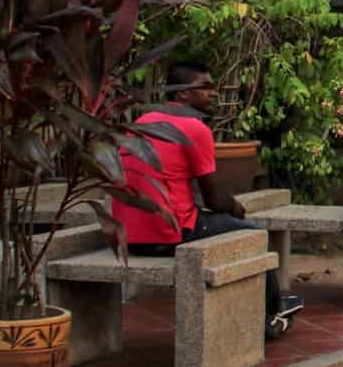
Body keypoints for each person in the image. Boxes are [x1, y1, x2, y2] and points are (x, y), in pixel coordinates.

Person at [112, 63, 300, 338]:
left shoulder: (143, 122)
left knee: (217, 222)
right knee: (256, 234)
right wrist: (236, 208)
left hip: (128, 237)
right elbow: (214, 199)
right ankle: (272, 315)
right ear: (182, 95)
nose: (214, 93)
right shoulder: (193, 127)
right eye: (205, 88)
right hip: (168, 234)